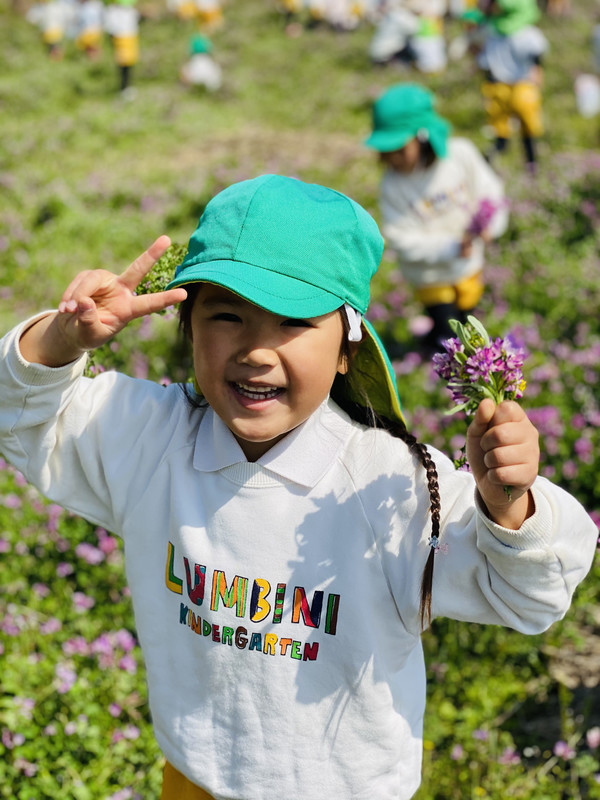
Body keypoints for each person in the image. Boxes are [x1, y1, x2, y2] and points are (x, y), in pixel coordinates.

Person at [0, 174, 596, 800]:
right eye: (227, 315)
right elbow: (20, 415)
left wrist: (508, 504)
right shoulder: (150, 438)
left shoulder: (390, 485)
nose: (256, 351)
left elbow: (531, 596)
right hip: (195, 778)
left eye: (293, 322)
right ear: (189, 326)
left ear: (346, 350)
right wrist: (61, 338)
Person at [365, 83, 508, 351]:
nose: (393, 159)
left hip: (469, 264)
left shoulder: (459, 155)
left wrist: (491, 224)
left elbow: (490, 192)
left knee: (469, 317)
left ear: (423, 136)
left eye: (400, 149)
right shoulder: (392, 184)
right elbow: (400, 237)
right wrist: (451, 247)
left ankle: (438, 342)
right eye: (386, 152)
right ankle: (437, 350)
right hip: (429, 274)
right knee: (447, 331)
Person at [475, 0, 548, 173]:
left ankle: (523, 162)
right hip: (514, 85)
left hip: (511, 85)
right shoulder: (504, 31)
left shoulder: (495, 31)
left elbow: (484, 60)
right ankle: (528, 164)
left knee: (515, 128)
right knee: (516, 128)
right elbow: (537, 56)